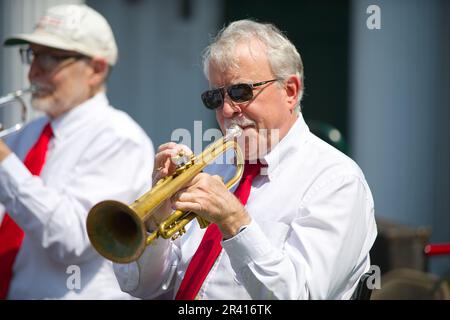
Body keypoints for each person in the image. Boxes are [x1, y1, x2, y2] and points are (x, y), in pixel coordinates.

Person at [113, 19, 377, 300]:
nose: (226, 110)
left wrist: (234, 221)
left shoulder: (336, 181)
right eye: (215, 97)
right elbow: (143, 287)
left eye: (241, 92)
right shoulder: (216, 168)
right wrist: (157, 218)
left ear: (289, 91)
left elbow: (301, 295)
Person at [0, 4, 154, 299]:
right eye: (32, 55)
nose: (33, 72)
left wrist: (4, 162)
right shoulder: (27, 134)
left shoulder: (120, 138)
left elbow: (74, 239)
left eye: (49, 59)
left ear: (95, 70)